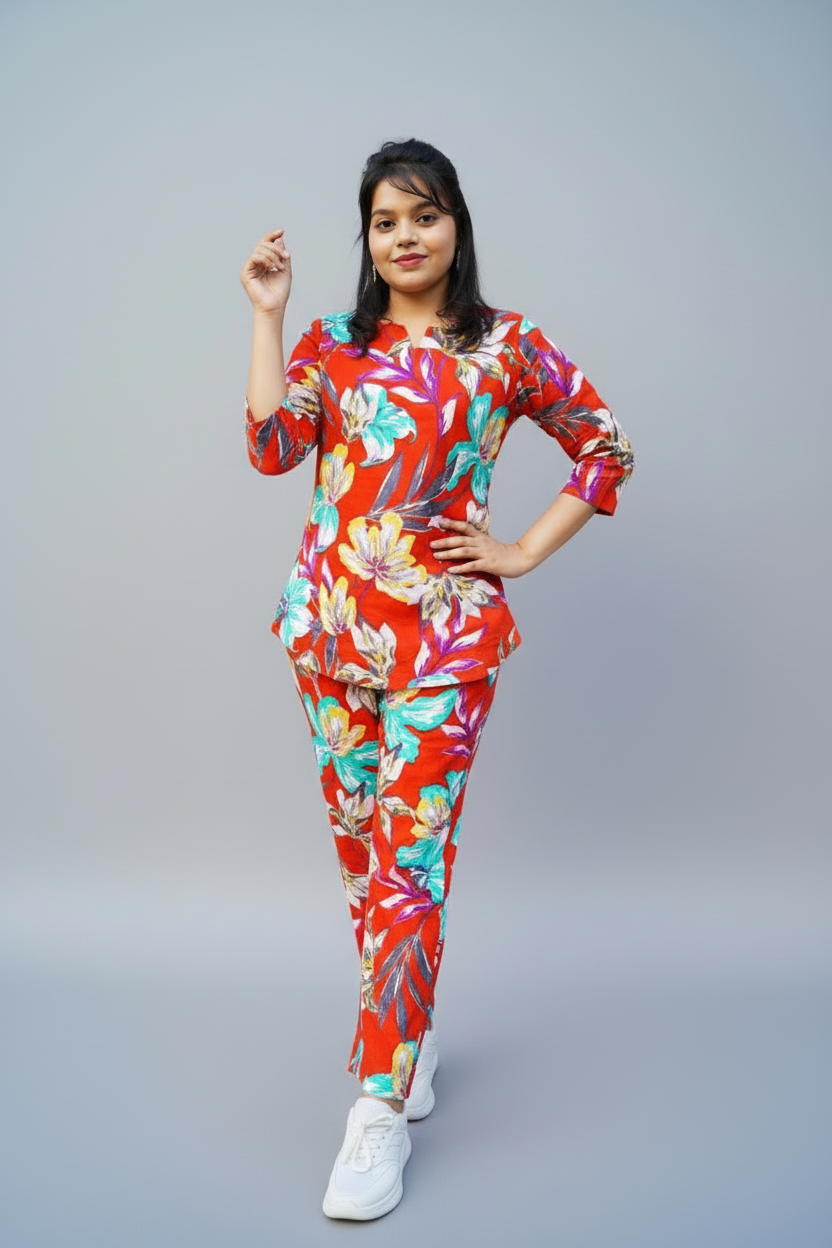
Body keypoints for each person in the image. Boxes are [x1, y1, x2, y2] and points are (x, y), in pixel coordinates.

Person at [240, 138, 634, 1220]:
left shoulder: (508, 346)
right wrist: (270, 316)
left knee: (410, 867)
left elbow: (603, 446)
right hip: (330, 634)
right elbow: (272, 448)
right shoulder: (334, 343)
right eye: (384, 221)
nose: (404, 237)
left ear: (457, 223)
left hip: (443, 646)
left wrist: (520, 552)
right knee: (365, 863)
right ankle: (406, 1044)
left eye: (424, 215)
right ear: (366, 239)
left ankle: (376, 1107)